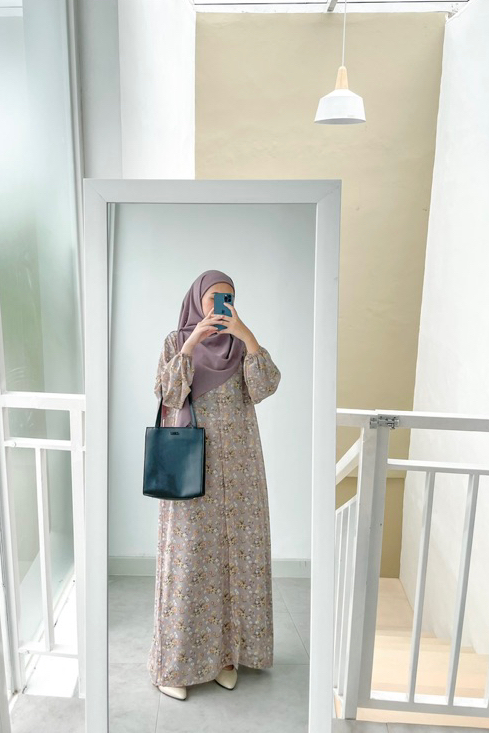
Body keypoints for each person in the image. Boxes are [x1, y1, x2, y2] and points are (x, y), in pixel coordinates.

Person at [147, 269, 282, 701]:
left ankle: (226, 657)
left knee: (234, 561)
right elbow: (168, 392)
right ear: (197, 301)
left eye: (229, 298)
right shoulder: (175, 341)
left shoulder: (241, 347)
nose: (222, 305)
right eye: (214, 298)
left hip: (240, 472)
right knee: (188, 564)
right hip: (192, 470)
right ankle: (173, 666)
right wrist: (191, 343)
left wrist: (248, 336)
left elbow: (265, 387)